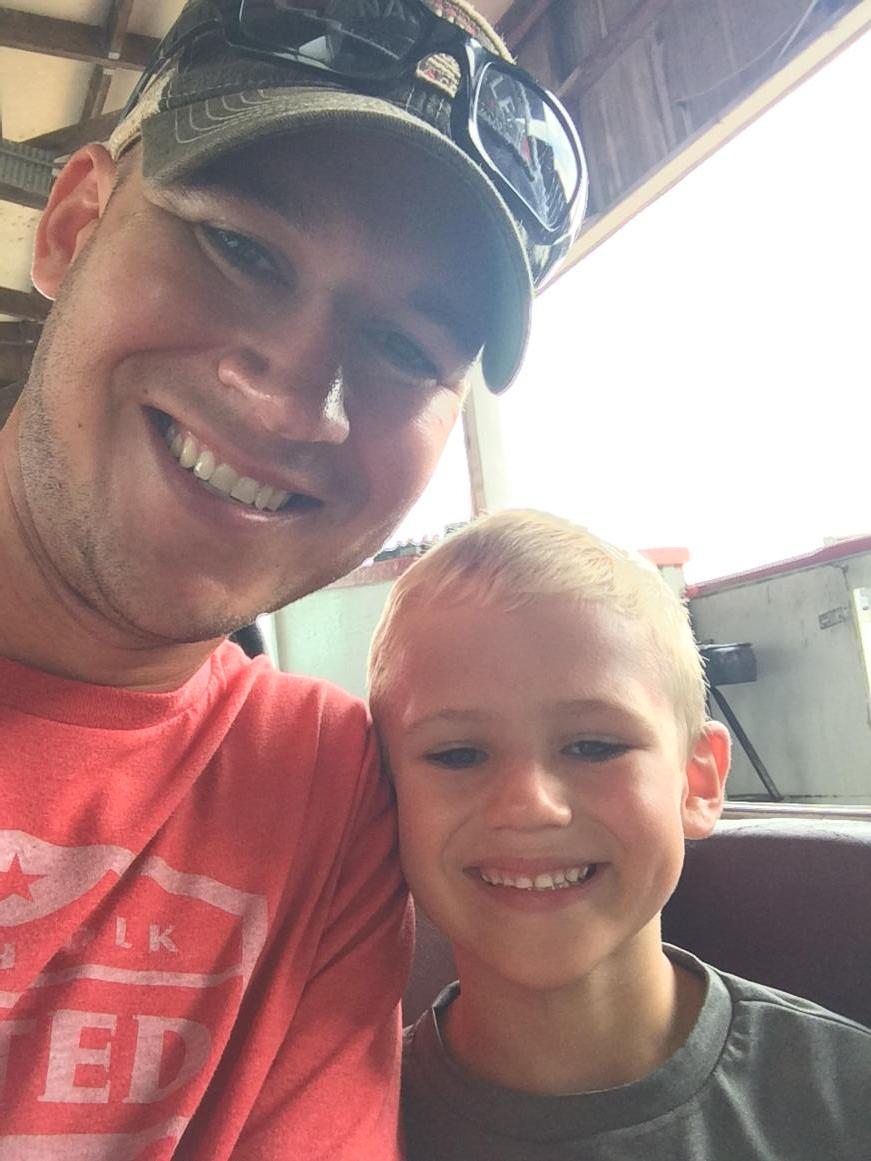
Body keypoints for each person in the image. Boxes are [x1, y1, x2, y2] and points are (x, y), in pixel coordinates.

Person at [0, 1, 587, 1155]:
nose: (291, 401)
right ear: (71, 227)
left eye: (405, 348)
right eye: (243, 249)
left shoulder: (321, 783)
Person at [367, 509, 871, 1161]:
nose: (529, 806)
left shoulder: (847, 1100)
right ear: (383, 796)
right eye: (457, 754)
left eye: (593, 746)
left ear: (697, 781)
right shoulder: (334, 1122)